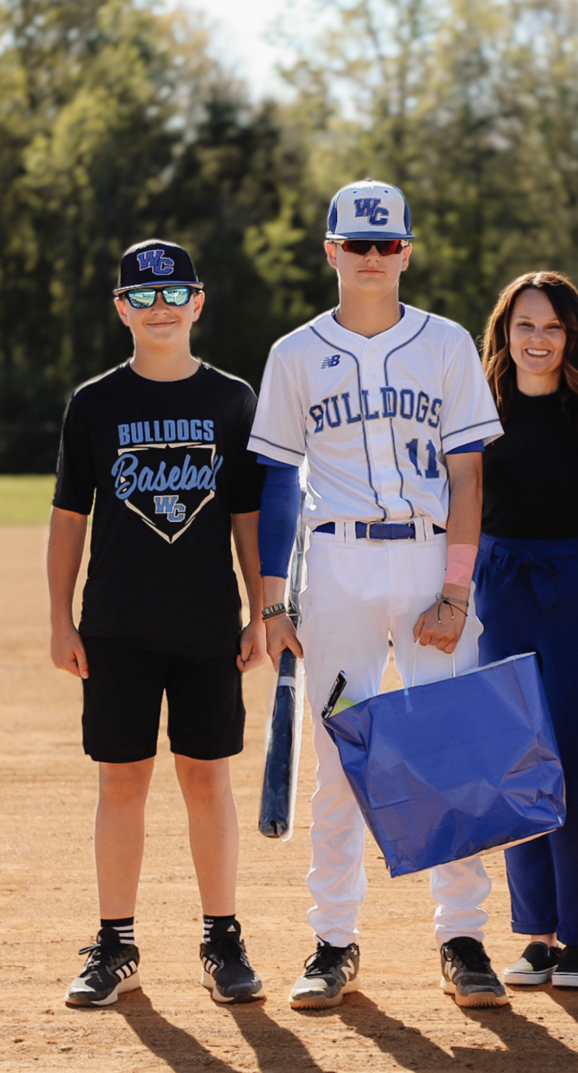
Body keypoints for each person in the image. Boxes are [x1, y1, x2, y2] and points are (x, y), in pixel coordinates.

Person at [249, 178, 507, 1010]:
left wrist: (457, 592)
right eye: (355, 244)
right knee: (337, 761)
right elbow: (281, 483)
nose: (371, 258)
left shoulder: (446, 344)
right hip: (338, 572)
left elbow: (469, 475)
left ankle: (462, 937)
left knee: (452, 751)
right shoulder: (294, 353)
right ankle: (333, 939)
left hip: (432, 563)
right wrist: (274, 600)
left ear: (406, 250)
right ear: (330, 250)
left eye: (385, 244)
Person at [48, 240, 267, 1008]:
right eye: (142, 297)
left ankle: (222, 938)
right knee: (123, 780)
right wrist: (59, 618)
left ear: (199, 302)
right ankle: (115, 943)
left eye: (175, 294)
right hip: (116, 625)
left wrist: (261, 611)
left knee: (208, 778)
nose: (160, 307)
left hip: (208, 623)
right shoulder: (95, 403)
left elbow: (248, 515)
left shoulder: (233, 399)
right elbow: (69, 517)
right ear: (122, 310)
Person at [475, 272, 578, 990]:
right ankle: (535, 935)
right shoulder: (477, 409)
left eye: (553, 327)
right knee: (517, 762)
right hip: (500, 592)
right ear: (505, 332)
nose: (537, 339)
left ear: (573, 335)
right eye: (524, 324)